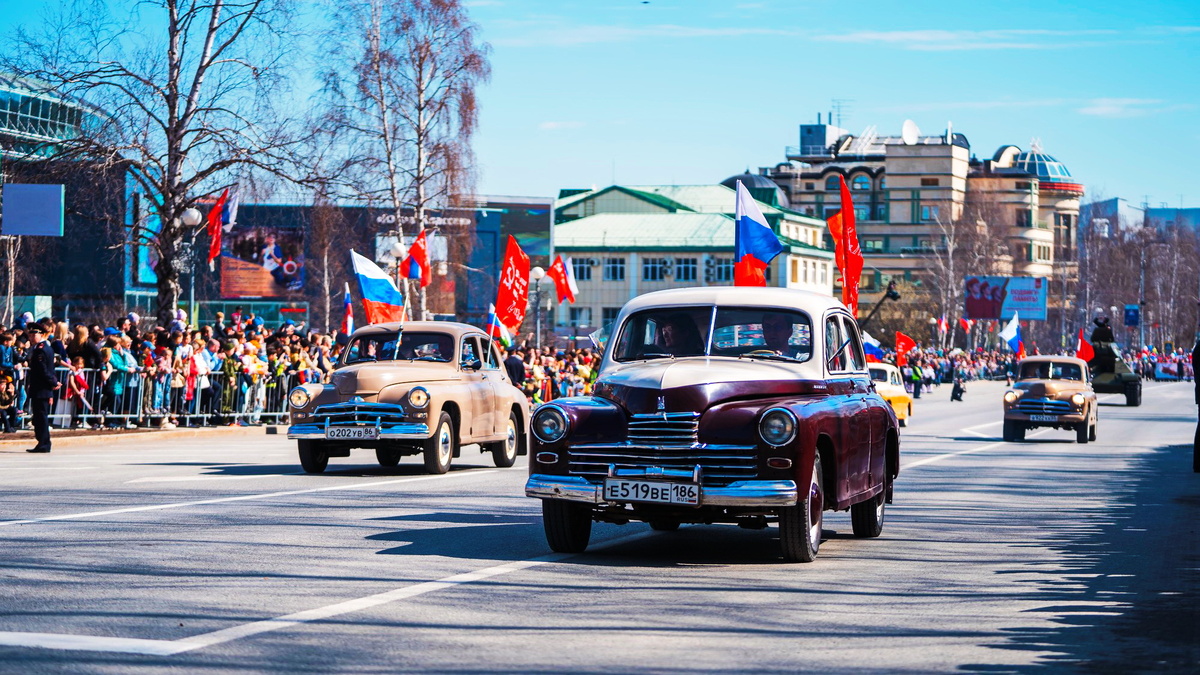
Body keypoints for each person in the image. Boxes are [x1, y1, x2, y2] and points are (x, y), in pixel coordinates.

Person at [24, 324, 59, 453]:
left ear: (42, 335)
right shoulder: (46, 348)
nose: (32, 337)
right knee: (40, 416)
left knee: (40, 417)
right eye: (30, 335)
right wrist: (53, 381)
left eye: (34, 335)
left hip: (41, 388)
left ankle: (44, 443)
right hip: (42, 387)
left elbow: (43, 370)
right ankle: (43, 442)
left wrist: (52, 382)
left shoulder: (40, 349)